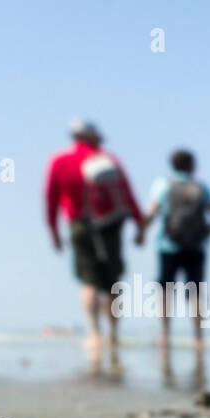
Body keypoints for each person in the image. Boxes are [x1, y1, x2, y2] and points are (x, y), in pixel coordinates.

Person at [44, 119, 145, 355]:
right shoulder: (108, 160)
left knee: (88, 281)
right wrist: (139, 224)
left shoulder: (60, 160)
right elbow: (128, 194)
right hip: (110, 226)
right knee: (113, 282)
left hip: (79, 224)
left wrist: (54, 232)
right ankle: (114, 334)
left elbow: (51, 198)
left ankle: (94, 334)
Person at [142, 149, 210, 357]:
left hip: (168, 245)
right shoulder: (202, 188)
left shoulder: (163, 186)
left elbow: (152, 213)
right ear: (192, 166)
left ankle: (165, 335)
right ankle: (198, 338)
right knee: (195, 292)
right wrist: (204, 235)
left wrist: (141, 232)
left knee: (167, 291)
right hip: (197, 247)